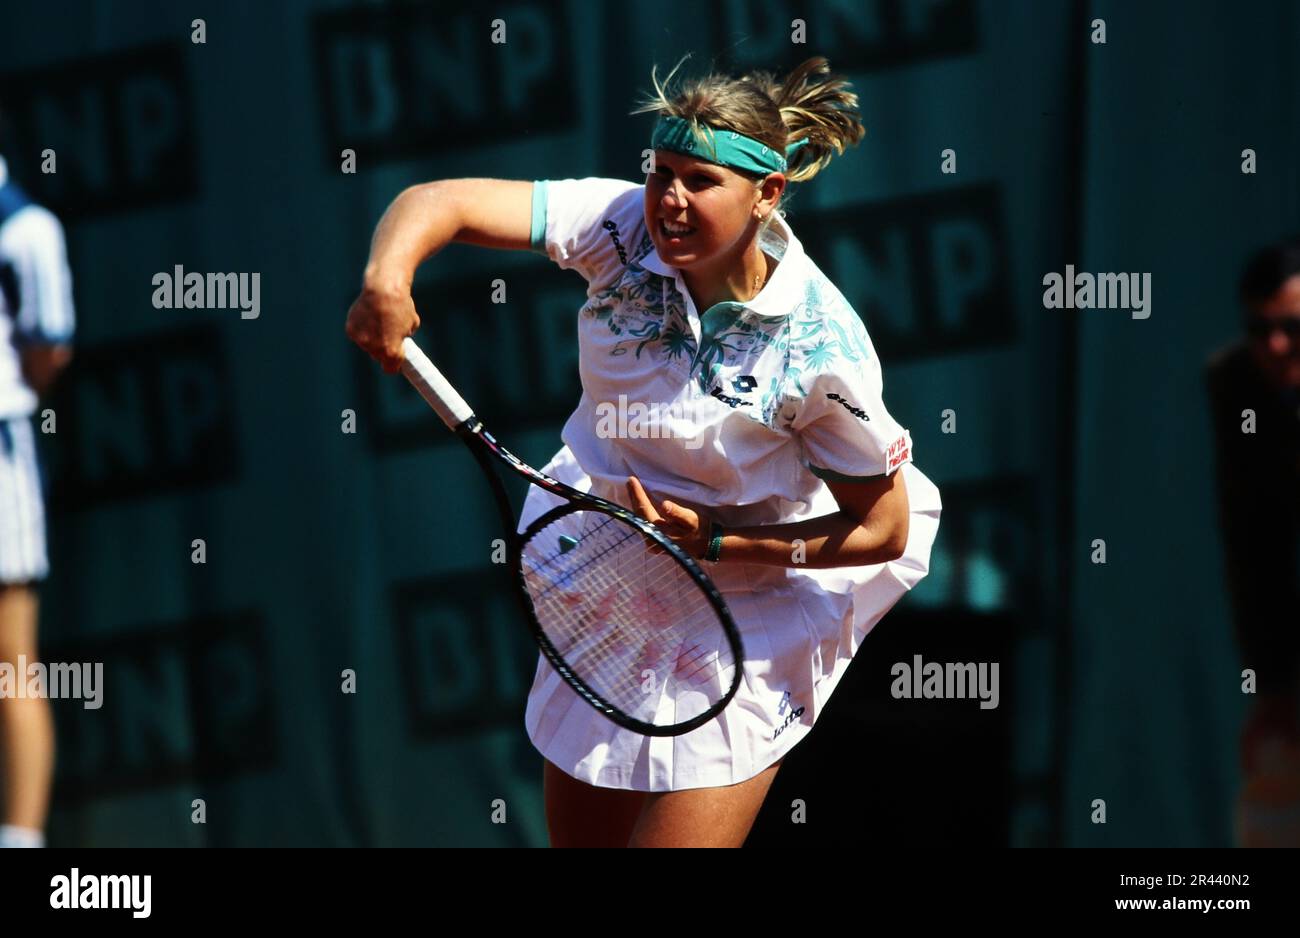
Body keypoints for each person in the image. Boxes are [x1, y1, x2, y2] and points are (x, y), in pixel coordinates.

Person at [347, 56, 942, 847]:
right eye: (662, 172)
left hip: (749, 598)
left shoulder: (819, 352)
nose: (670, 200)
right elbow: (440, 202)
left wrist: (724, 541)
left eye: (701, 180)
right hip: (606, 554)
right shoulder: (619, 225)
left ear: (767, 195)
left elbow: (883, 532)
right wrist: (388, 277)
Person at [1207, 237, 1300, 845]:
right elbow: (1252, 548)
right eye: (1258, 327)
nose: (1274, 345)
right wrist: (1272, 689)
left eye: (1292, 327)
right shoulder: (1234, 385)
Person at [0, 126, 76, 849]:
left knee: (9, 661)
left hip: (2, 458)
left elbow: (49, 349)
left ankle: (18, 847)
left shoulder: (25, 229)